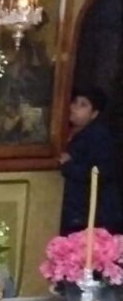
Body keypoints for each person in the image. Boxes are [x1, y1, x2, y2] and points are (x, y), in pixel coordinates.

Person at [59, 85, 123, 235]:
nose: (74, 108)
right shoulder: (70, 131)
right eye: (74, 102)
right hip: (80, 212)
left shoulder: (98, 135)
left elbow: (101, 172)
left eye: (83, 105)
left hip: (95, 215)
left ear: (94, 114)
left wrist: (68, 165)